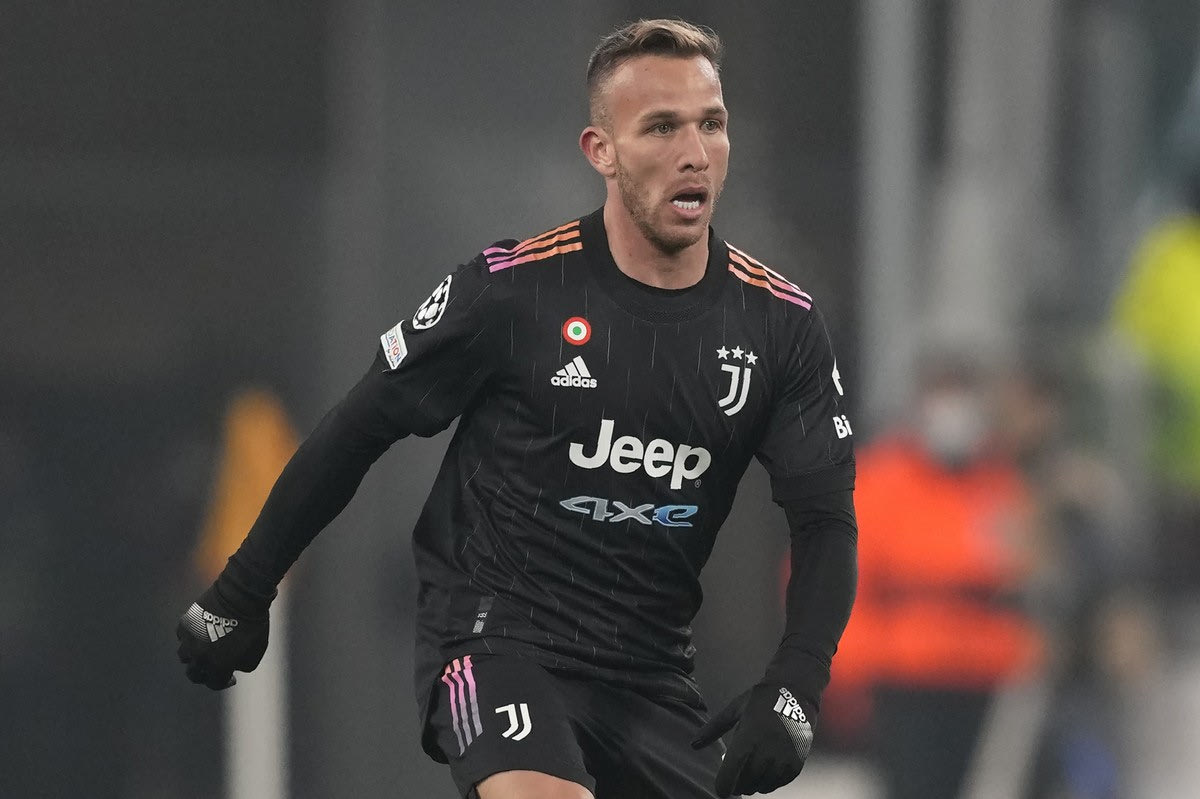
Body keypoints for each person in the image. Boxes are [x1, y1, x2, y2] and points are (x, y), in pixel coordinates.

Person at [176, 19, 857, 799]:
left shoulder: (779, 324)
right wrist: (242, 591)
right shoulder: (512, 290)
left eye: (712, 123)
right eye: (661, 127)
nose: (694, 152)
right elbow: (360, 427)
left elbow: (825, 521)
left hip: (649, 673)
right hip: (495, 638)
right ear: (601, 151)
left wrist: (796, 685)